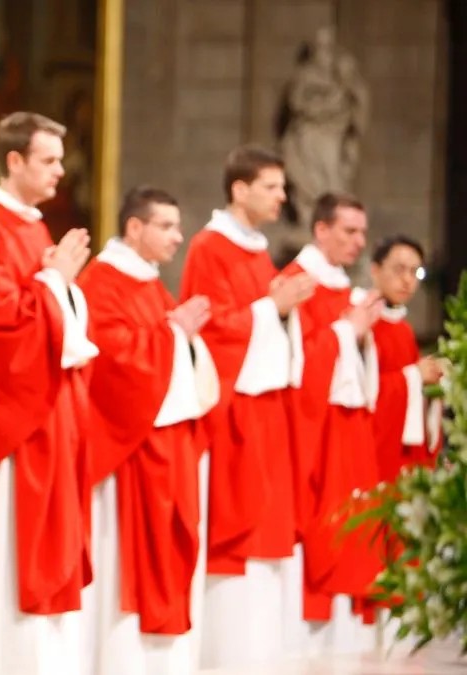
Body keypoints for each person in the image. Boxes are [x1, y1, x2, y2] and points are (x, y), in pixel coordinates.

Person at [0, 112, 95, 675]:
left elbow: (43, 309)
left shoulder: (33, 227)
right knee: (7, 554)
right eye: (49, 160)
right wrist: (55, 279)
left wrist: (56, 281)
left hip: (45, 410)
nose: (62, 171)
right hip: (8, 418)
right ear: (14, 162)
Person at [178, 145, 315, 666]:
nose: (283, 196)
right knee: (237, 532)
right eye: (272, 187)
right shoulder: (210, 247)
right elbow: (212, 329)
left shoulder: (256, 249)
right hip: (233, 411)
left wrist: (281, 313)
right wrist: (271, 310)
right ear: (239, 189)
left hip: (265, 410)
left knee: (268, 528)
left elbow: (256, 317)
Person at [79, 186, 219, 674]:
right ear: (134, 228)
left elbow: (166, 344)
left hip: (167, 448)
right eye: (166, 226)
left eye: (178, 227)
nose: (178, 237)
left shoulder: (151, 283)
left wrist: (180, 337)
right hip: (129, 456)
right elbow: (108, 354)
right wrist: (171, 334)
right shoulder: (102, 279)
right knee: (125, 569)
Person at [283, 192, 383, 654]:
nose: (359, 242)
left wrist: (358, 338)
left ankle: (346, 641)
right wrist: (348, 333)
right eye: (349, 231)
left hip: (346, 431)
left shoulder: (346, 290)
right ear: (321, 230)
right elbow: (293, 363)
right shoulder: (295, 283)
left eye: (362, 232)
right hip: (311, 431)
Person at [364, 235, 443, 481]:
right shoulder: (363, 322)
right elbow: (362, 392)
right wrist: (414, 376)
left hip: (403, 449)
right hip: (374, 450)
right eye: (399, 269)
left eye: (415, 272)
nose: (407, 280)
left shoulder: (404, 329)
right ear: (375, 270)